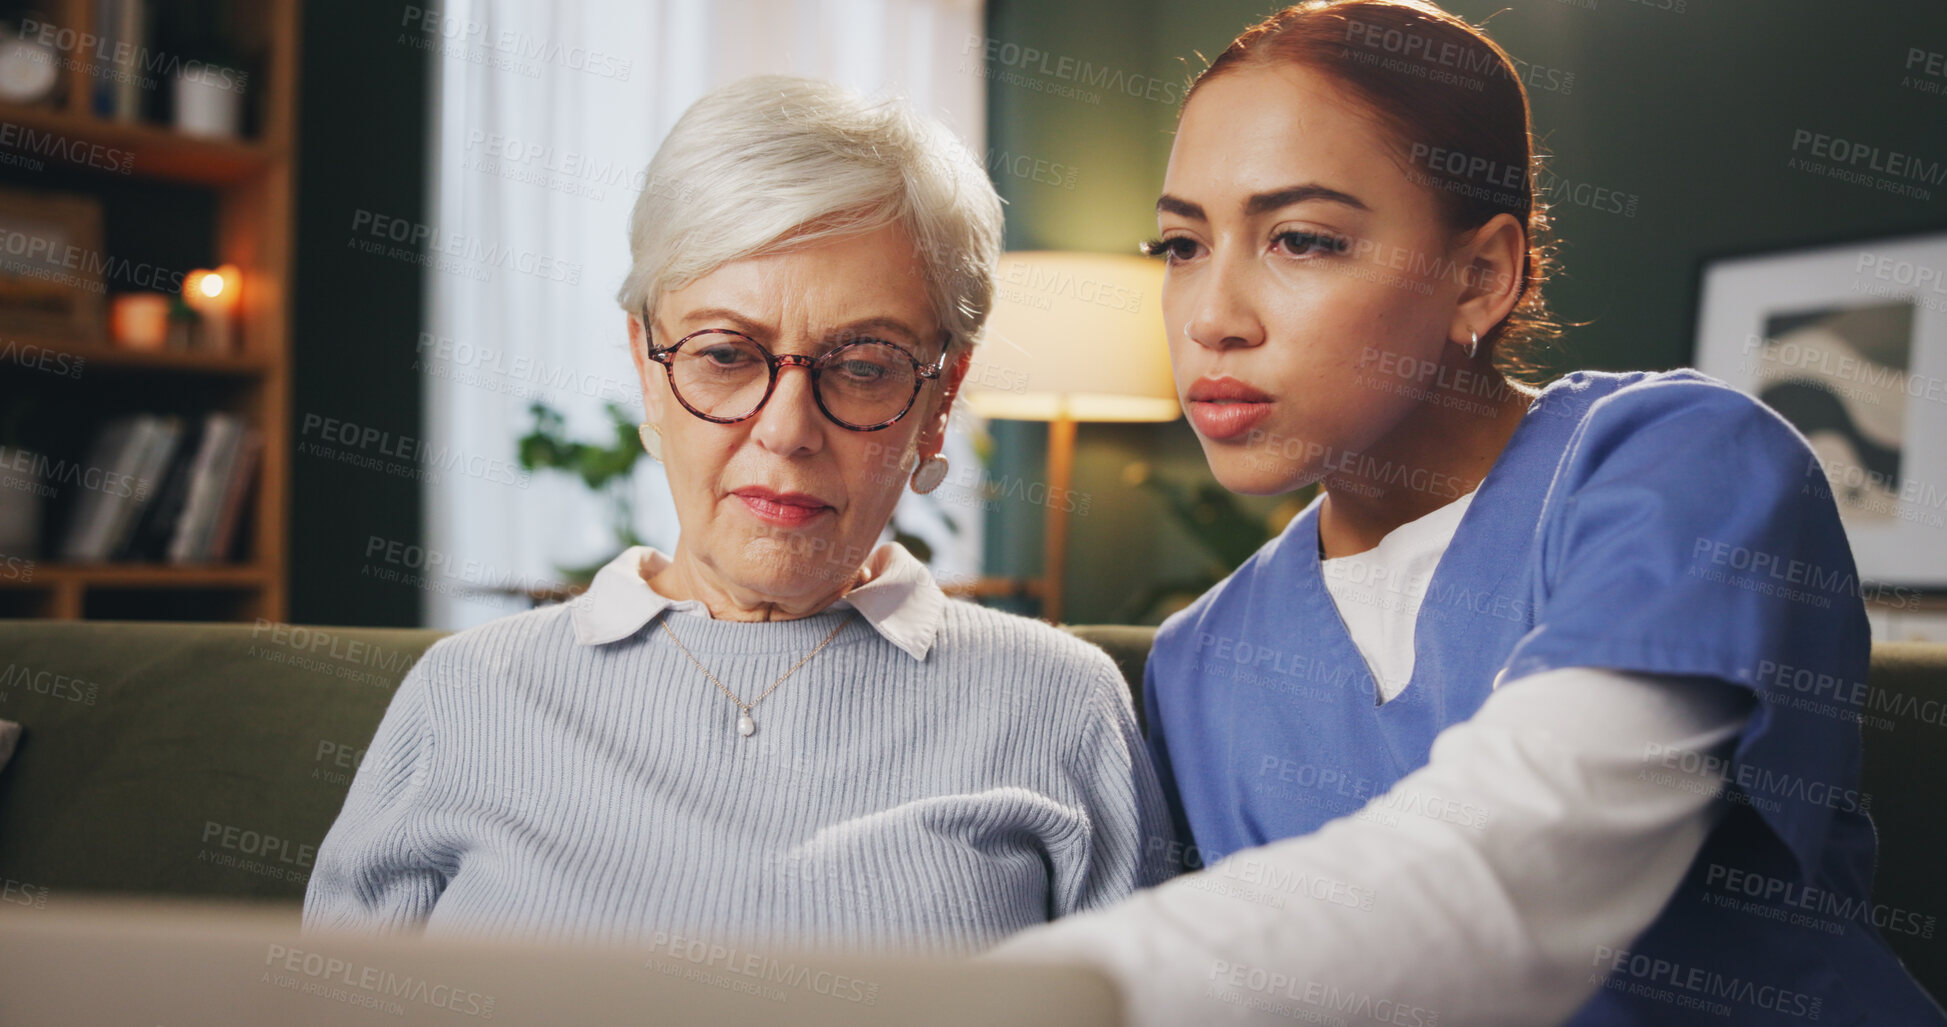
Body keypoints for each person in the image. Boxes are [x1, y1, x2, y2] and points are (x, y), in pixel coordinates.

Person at [991, 2, 1947, 1023]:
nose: (1213, 318)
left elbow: (1518, 875)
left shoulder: (1684, 466)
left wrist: (1005, 998)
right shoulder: (1198, 662)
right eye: (1180, 244)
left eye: (1302, 240)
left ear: (1481, 274)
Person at [304, 75, 1173, 954]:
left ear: (939, 398)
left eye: (864, 365)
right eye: (724, 354)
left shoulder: (1060, 702)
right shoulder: (468, 694)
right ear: (647, 365)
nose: (787, 430)